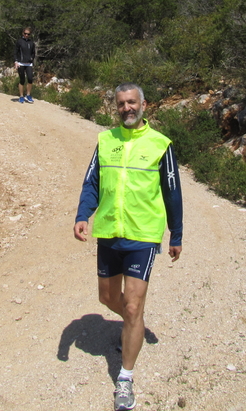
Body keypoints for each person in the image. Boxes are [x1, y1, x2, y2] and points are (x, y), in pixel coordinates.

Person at [74, 83, 183, 411]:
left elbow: (173, 191)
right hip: (109, 231)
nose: (127, 108)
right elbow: (92, 181)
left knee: (133, 307)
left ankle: (125, 378)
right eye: (121, 104)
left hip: (143, 236)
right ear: (116, 107)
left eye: (132, 102)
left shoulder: (160, 144)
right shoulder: (105, 141)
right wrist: (83, 214)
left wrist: (175, 234)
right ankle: (134, 328)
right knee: (107, 298)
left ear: (144, 105)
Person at [14, 27, 36, 103]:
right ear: (23, 33)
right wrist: (16, 61)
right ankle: (21, 96)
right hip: (21, 63)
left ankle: (28, 95)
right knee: (22, 80)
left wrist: (32, 58)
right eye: (25, 33)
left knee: (30, 79)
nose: (26, 35)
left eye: (28, 34)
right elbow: (15, 52)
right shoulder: (19, 41)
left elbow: (33, 53)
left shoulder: (31, 43)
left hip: (29, 64)